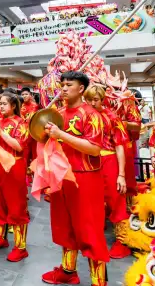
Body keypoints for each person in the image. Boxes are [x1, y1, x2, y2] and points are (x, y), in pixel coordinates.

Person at [41, 71, 108, 286]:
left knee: (90, 231)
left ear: (81, 89)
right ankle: (68, 271)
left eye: (69, 84)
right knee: (64, 227)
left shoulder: (92, 115)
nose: (63, 88)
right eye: (62, 84)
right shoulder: (57, 114)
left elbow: (95, 149)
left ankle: (99, 281)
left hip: (85, 179)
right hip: (61, 178)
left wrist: (61, 135)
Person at [84, 86, 131, 259]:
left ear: (102, 99)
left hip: (109, 160)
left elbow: (119, 146)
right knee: (92, 199)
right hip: (89, 161)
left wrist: (121, 174)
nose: (91, 103)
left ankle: (122, 241)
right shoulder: (84, 116)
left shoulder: (112, 118)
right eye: (88, 99)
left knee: (116, 199)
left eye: (95, 99)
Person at [0, 92, 30, 262]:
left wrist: (0, 131)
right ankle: (1, 238)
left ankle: (20, 247)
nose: (0, 106)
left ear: (13, 106)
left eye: (4, 103)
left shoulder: (21, 123)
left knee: (16, 205)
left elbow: (18, 146)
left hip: (12, 166)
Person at [20, 87, 39, 180]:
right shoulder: (20, 105)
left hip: (34, 134)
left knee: (35, 155)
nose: (24, 96)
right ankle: (26, 178)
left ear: (30, 95)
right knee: (25, 156)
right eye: (22, 94)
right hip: (24, 135)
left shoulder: (35, 106)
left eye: (26, 94)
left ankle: (36, 177)